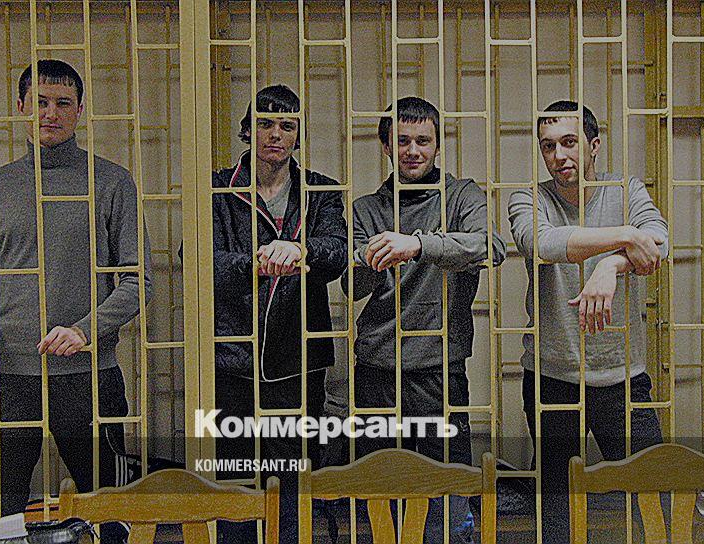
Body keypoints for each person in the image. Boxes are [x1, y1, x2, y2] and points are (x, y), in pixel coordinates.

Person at [0, 60, 150, 535]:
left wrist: (84, 331)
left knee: (108, 506)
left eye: (62, 103)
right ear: (21, 106)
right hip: (5, 375)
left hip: (88, 374)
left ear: (80, 110)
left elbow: (137, 281)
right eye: (40, 102)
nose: (51, 113)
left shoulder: (111, 181)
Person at [344, 96, 506, 543]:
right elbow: (351, 287)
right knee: (381, 491)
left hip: (439, 366)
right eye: (402, 141)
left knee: (447, 491)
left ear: (437, 146)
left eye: (422, 140)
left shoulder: (461, 195)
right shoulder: (366, 208)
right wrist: (371, 257)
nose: (412, 150)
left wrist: (417, 245)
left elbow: (490, 247)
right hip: (377, 365)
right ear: (385, 147)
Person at [507, 100, 668, 542]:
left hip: (622, 375)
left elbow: (659, 241)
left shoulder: (625, 191)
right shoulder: (529, 197)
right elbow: (540, 242)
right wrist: (625, 237)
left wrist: (610, 265)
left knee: (652, 500)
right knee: (556, 508)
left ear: (594, 145)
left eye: (569, 142)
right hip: (551, 375)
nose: (559, 155)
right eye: (548, 146)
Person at [206, 84, 347, 543]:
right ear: (247, 130)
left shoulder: (320, 190)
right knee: (235, 472)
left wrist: (300, 250)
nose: (275, 134)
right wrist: (257, 262)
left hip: (298, 355)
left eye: (287, 126)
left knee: (292, 471)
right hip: (232, 355)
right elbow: (200, 260)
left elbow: (338, 251)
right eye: (265, 123)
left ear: (298, 136)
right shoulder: (219, 188)